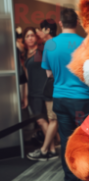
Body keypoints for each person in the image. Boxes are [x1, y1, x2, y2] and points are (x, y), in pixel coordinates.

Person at [41, 8, 89, 181]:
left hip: (60, 98)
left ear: (60, 23)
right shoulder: (86, 44)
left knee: (67, 139)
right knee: (85, 140)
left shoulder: (50, 45)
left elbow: (49, 74)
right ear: (78, 23)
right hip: (83, 99)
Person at [22, 27, 58, 160]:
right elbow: (26, 76)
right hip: (33, 92)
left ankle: (47, 150)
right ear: (24, 40)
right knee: (41, 121)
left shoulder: (42, 50)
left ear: (36, 37)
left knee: (51, 119)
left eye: (32, 35)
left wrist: (45, 35)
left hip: (46, 90)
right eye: (27, 36)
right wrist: (25, 96)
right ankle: (52, 149)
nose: (30, 38)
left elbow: (53, 45)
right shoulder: (23, 54)